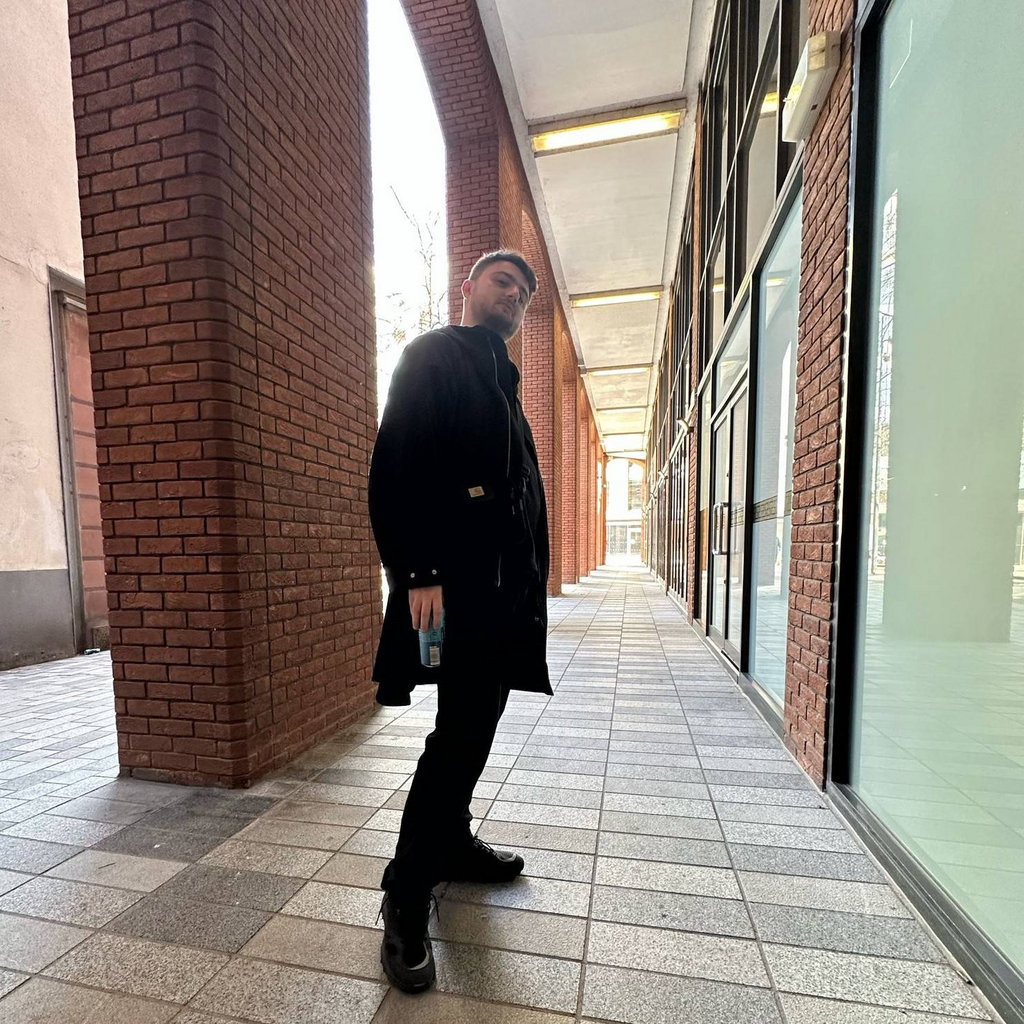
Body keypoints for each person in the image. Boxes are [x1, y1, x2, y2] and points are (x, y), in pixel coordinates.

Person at [368, 250, 552, 992]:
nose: (516, 295)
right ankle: (406, 891)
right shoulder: (434, 355)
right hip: (454, 592)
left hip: (501, 597)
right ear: (468, 288)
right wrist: (417, 571)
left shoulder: (503, 383)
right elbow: (397, 468)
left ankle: (449, 843)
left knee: (474, 726)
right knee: (458, 737)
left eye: (526, 292)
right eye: (504, 282)